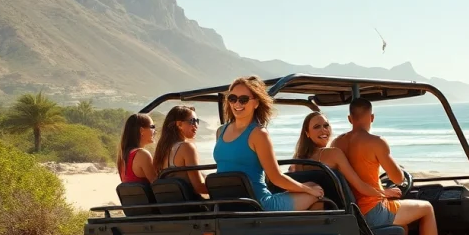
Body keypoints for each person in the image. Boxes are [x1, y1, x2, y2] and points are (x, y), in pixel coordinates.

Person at [332, 97, 458, 235]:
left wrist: (382, 189)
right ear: (372, 118)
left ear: (350, 119)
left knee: (403, 225)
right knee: (427, 208)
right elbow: (398, 178)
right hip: (372, 212)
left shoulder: (337, 143)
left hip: (352, 212)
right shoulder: (376, 142)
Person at [214, 75, 324, 211]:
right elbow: (276, 178)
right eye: (232, 98)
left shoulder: (221, 131)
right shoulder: (258, 134)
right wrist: (308, 189)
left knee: (311, 187)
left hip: (225, 204)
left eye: (243, 99)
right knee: (317, 191)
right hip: (259, 205)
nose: (237, 104)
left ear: (256, 103)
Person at [289, 111, 395, 201]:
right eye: (317, 127)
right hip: (338, 208)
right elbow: (359, 186)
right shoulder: (333, 153)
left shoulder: (297, 161)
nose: (323, 130)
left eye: (326, 125)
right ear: (307, 133)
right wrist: (384, 192)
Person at [153, 105, 208, 196]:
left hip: (171, 203)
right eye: (192, 121)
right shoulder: (186, 147)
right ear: (179, 124)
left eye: (197, 121)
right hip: (190, 203)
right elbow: (198, 187)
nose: (196, 125)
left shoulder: (162, 150)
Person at [116, 113, 156, 184]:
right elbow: (157, 185)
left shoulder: (123, 156)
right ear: (141, 130)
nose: (155, 131)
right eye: (152, 127)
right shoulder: (142, 155)